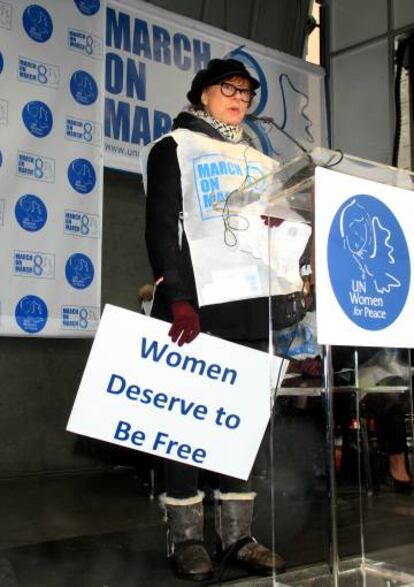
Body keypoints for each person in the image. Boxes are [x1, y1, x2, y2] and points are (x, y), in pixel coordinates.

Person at [141, 58, 308, 581]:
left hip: (248, 305)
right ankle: (188, 539)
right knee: (185, 421)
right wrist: (179, 294)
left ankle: (238, 537)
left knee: (241, 423)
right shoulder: (175, 147)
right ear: (203, 95)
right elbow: (162, 224)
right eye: (227, 88)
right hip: (193, 306)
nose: (239, 97)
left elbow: (273, 225)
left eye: (247, 91)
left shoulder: (259, 159)